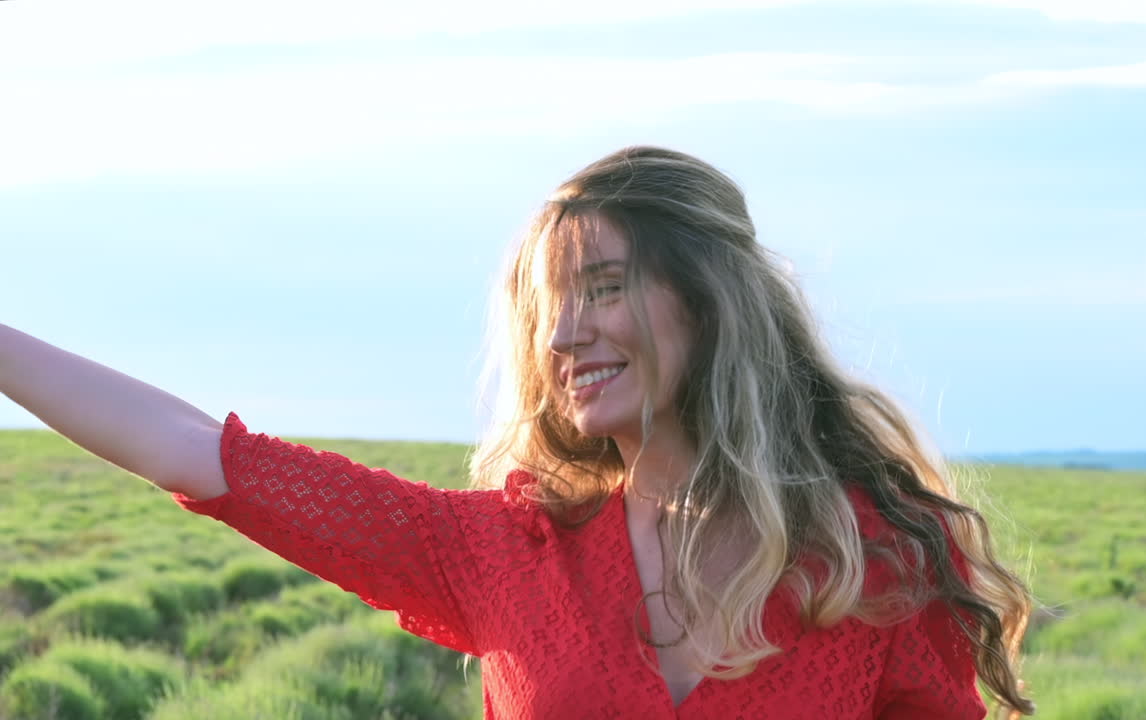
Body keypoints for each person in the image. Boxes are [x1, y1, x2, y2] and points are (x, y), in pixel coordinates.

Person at [0, 146, 1036, 719]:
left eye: (605, 287)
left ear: (708, 301)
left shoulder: (876, 557)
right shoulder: (503, 551)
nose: (565, 335)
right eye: (550, 307)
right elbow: (199, 454)